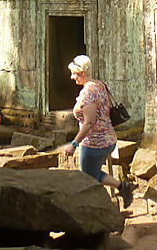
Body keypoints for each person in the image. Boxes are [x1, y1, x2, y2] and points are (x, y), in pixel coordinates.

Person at [64, 55, 134, 208]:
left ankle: (97, 207)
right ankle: (122, 187)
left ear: (82, 72)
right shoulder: (101, 85)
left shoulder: (88, 93)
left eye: (74, 73)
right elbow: (107, 109)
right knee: (91, 173)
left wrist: (74, 144)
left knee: (87, 178)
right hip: (109, 139)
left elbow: (89, 123)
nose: (72, 77)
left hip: (95, 143)